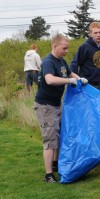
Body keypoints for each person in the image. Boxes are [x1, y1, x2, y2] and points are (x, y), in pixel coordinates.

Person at [34, 34, 88, 183]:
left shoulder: (62, 62)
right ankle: (48, 175)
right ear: (55, 46)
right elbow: (49, 80)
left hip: (56, 104)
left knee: (59, 136)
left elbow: (70, 73)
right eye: (64, 48)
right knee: (50, 139)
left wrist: (79, 79)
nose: (66, 51)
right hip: (45, 106)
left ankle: (56, 165)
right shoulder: (48, 62)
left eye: (67, 48)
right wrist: (69, 81)